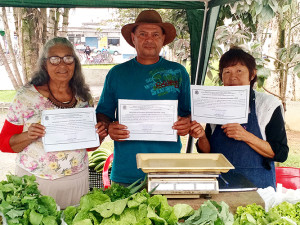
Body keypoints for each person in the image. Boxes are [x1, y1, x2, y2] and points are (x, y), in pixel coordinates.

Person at [0, 37, 107, 208]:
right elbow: (4, 144)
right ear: (44, 64)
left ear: (75, 63)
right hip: (35, 183)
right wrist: (29, 135)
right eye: (54, 59)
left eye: (68, 58)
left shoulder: (83, 98)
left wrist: (99, 136)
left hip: (76, 180)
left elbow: (88, 146)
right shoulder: (26, 97)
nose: (62, 65)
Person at [96, 10, 191, 185]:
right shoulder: (116, 74)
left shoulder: (178, 73)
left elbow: (189, 114)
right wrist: (109, 127)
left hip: (167, 170)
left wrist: (186, 123)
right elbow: (103, 114)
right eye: (142, 34)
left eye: (155, 34)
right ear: (133, 38)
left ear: (163, 39)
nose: (149, 39)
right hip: (126, 171)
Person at [190, 47, 289, 189]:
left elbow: (280, 153)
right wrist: (201, 137)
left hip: (258, 188)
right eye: (227, 72)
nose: (233, 77)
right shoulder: (214, 105)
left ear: (252, 74)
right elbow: (208, 152)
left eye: (239, 71)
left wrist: (245, 135)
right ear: (221, 76)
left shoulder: (268, 105)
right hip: (220, 185)